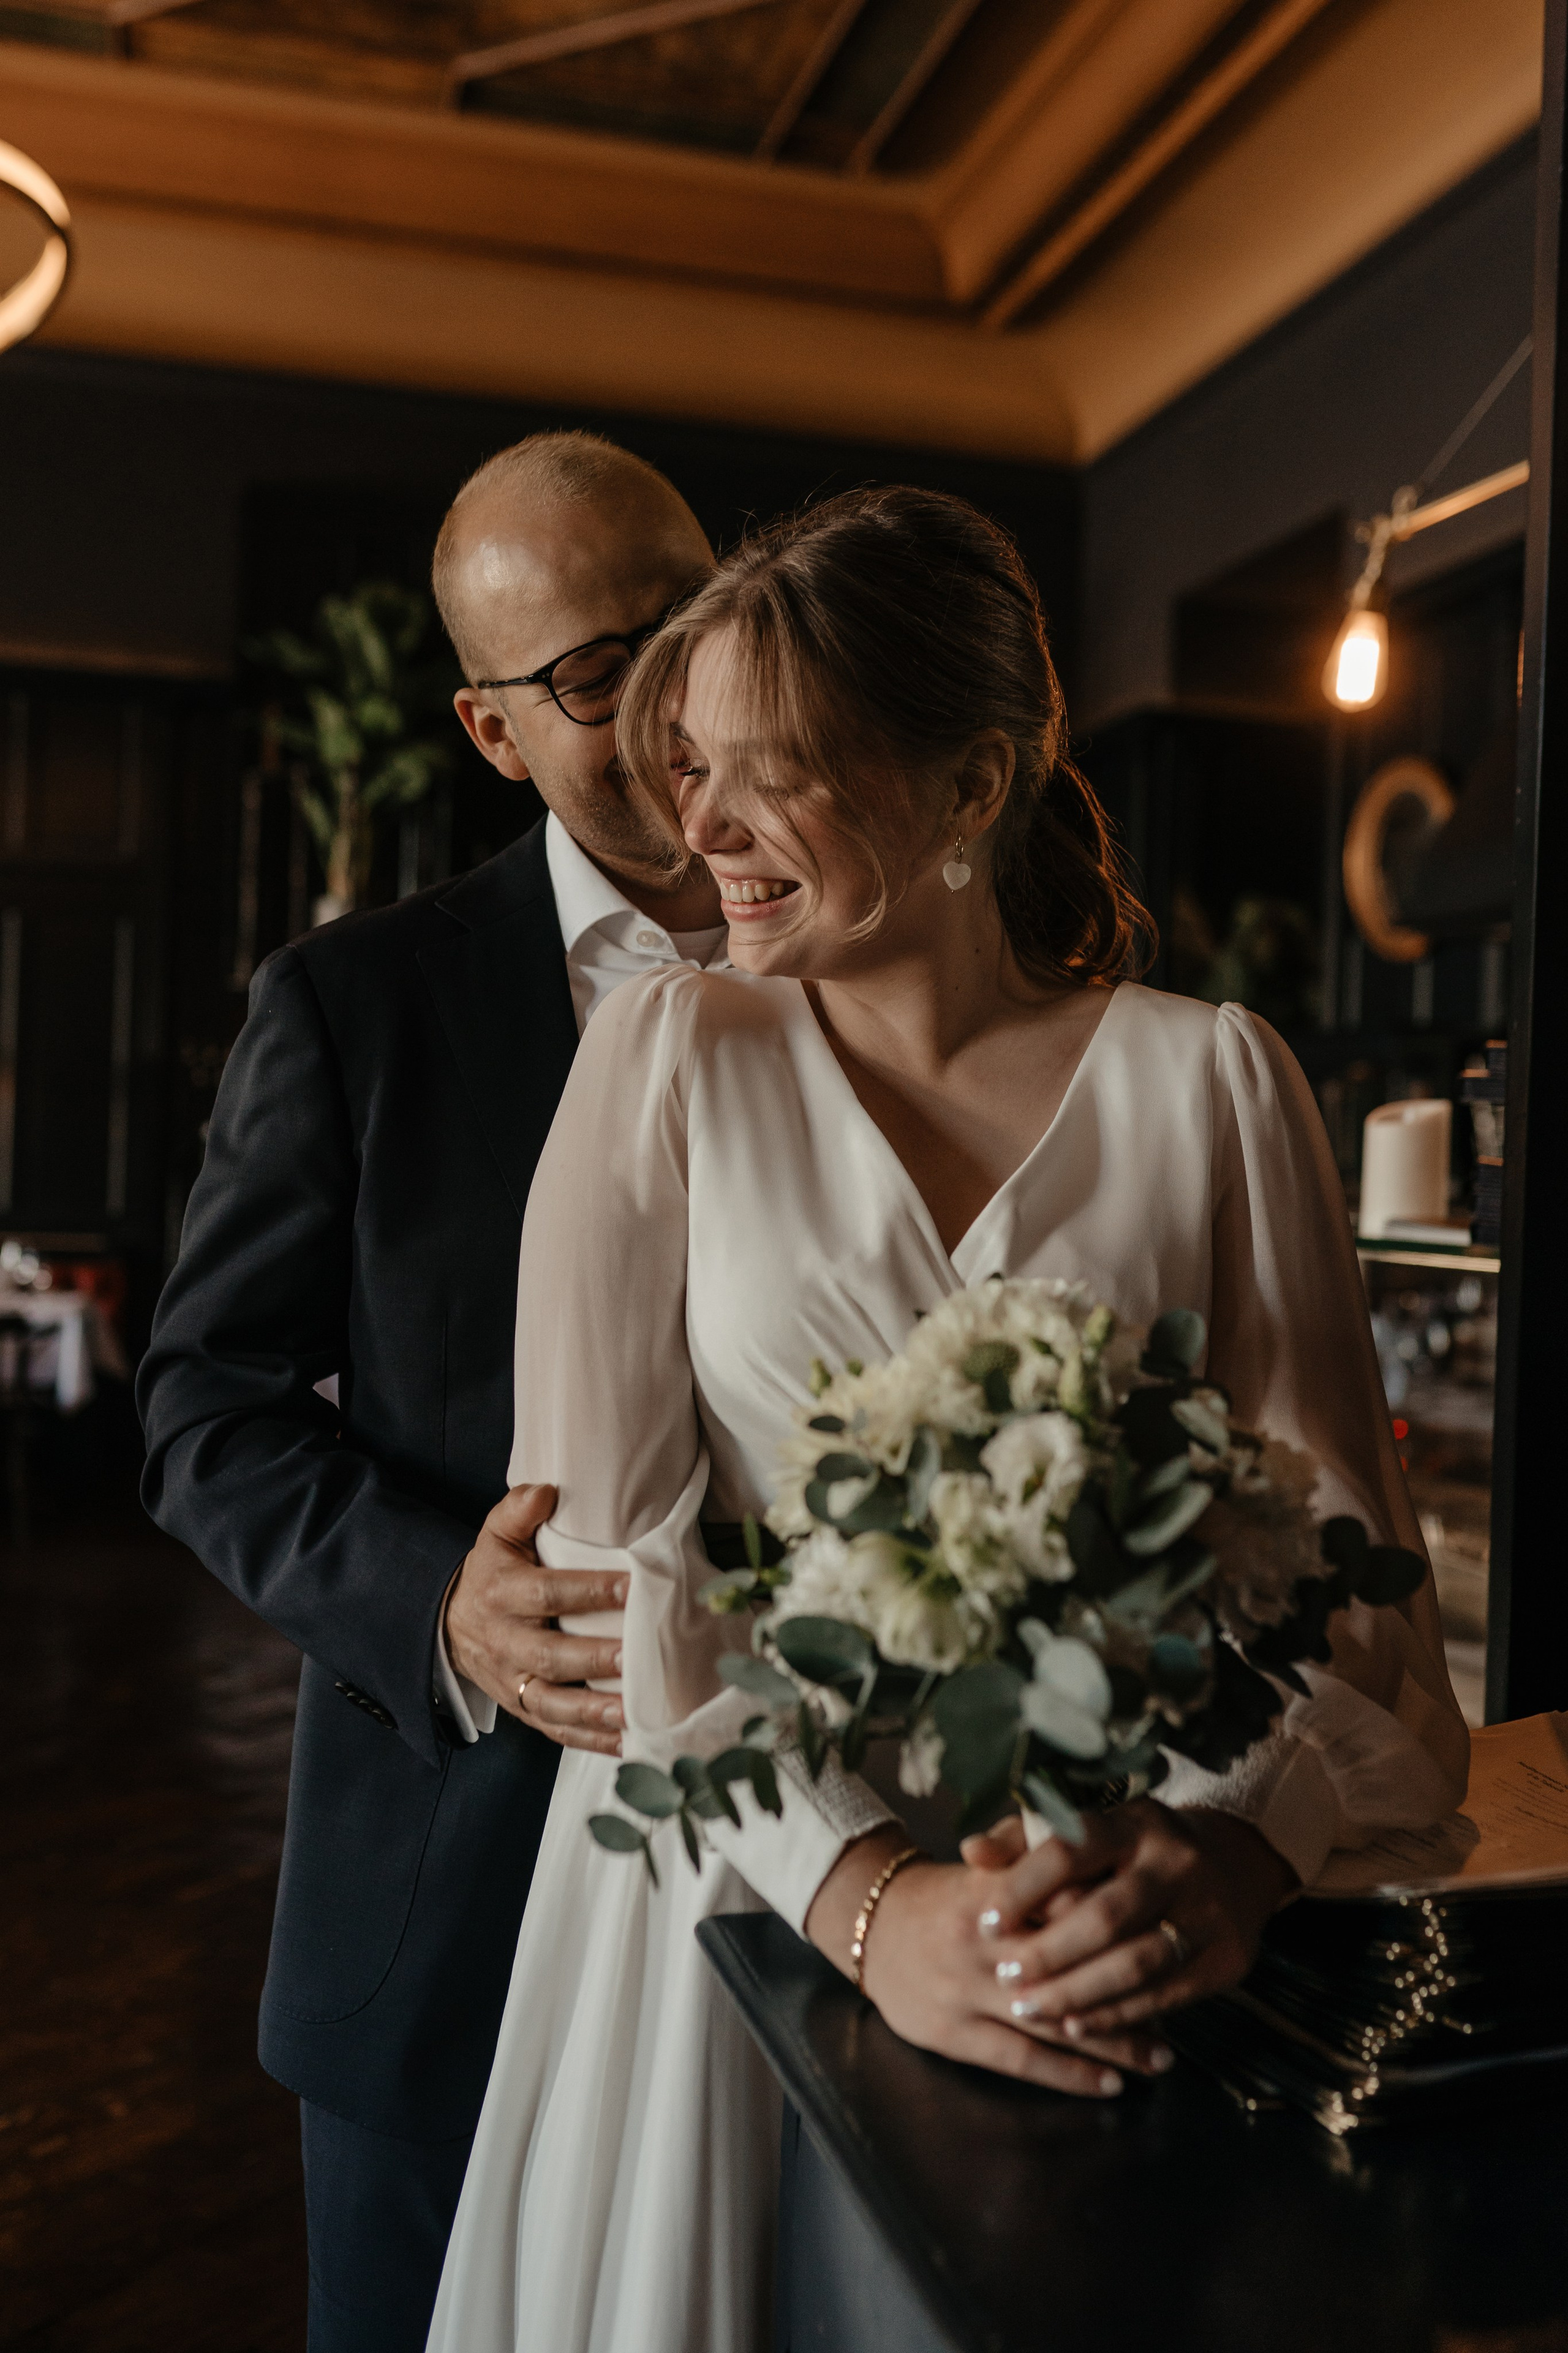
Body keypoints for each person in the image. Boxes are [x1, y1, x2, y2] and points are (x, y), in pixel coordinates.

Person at [425, 486, 1468, 2352]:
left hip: (1116, 1942)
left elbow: (1359, 1595)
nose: (705, 832)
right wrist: (869, 1902)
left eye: (772, 774)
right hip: (734, 1921)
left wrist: (1227, 1853)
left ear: (974, 784)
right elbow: (615, 1587)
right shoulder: (662, 1059)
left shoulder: (1214, 1083)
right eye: (688, 769)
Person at [136, 431, 733, 2352]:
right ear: (491, 734)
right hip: (449, 1896)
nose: (661, 705)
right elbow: (202, 1402)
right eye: (586, 674)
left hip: (808, 1891)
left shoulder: (864, 962)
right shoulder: (355, 1005)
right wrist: (438, 1599)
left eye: (692, 629)